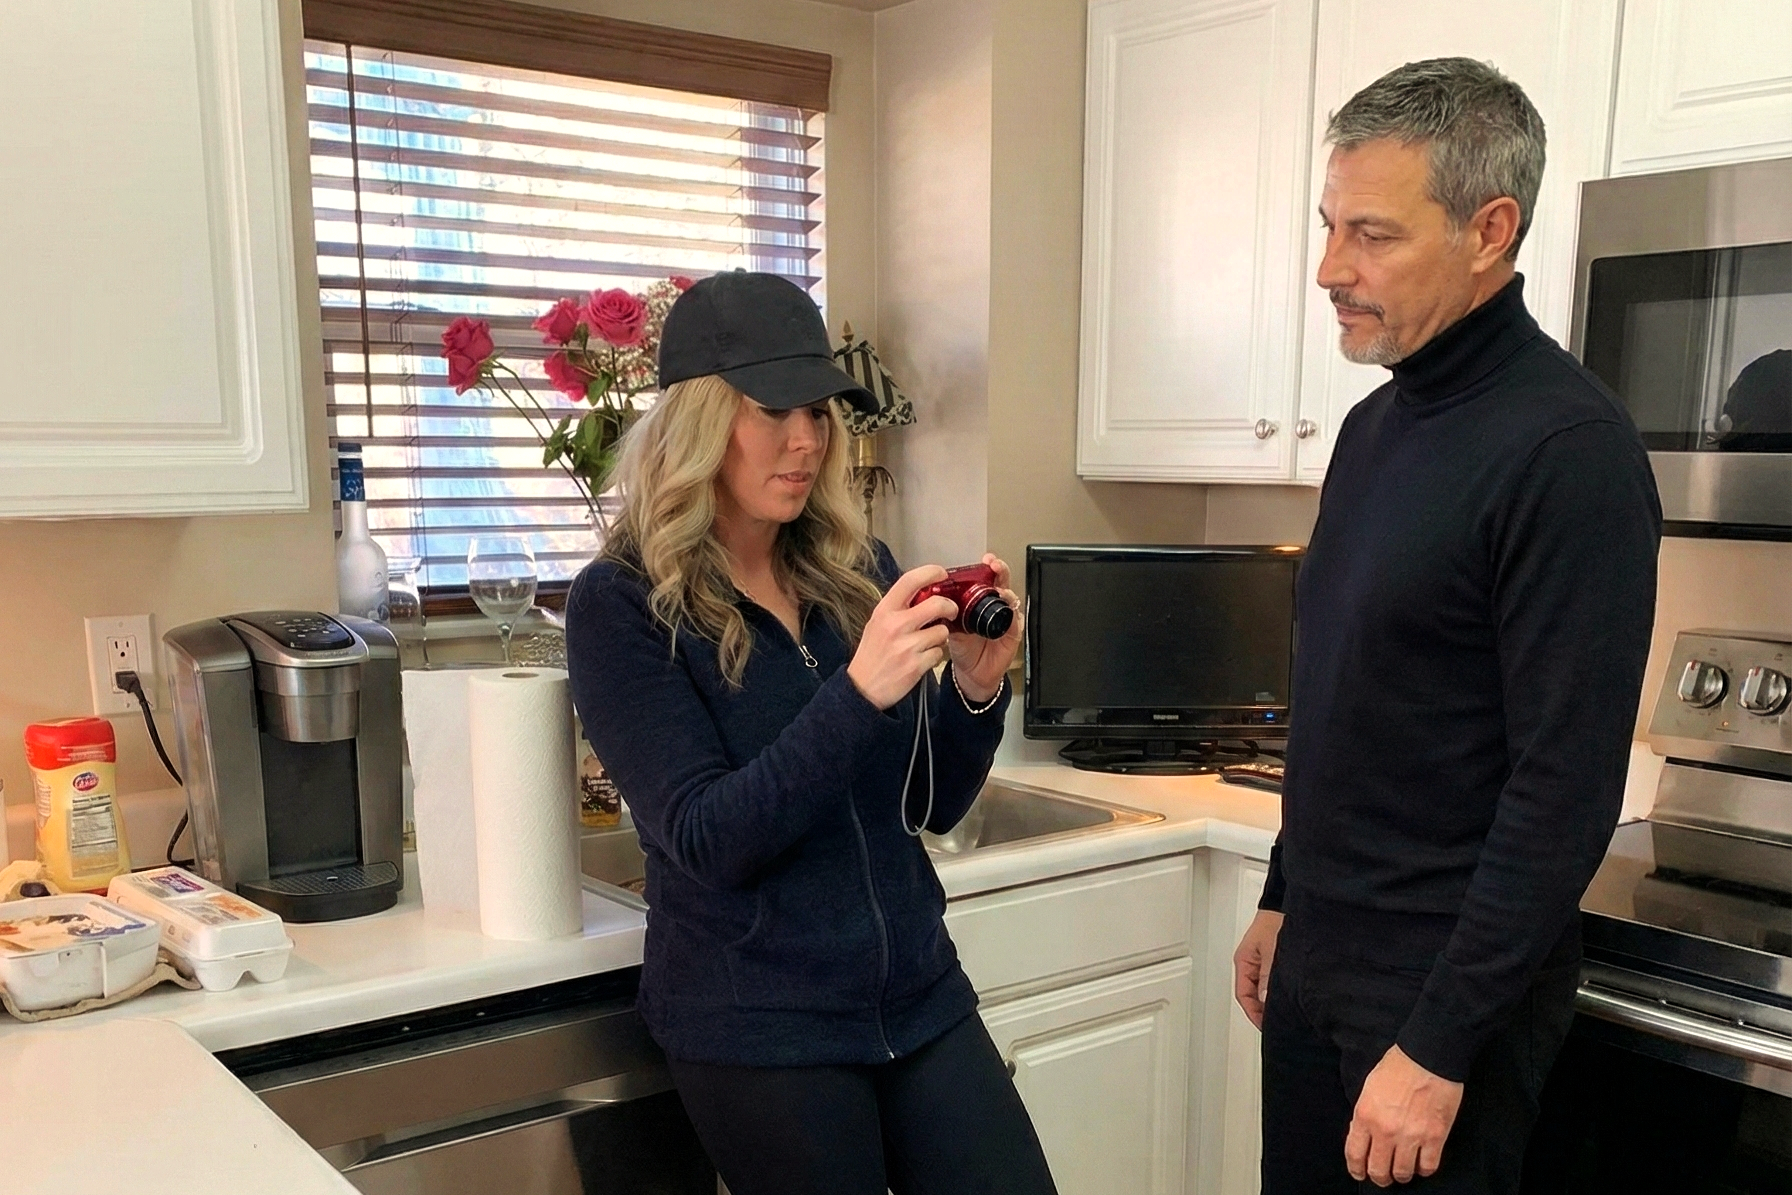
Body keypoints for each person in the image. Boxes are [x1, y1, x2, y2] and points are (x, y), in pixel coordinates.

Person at [1230, 59, 1661, 1193]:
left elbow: (1563, 790)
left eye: (1371, 234)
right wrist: (1282, 893)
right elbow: (1340, 697)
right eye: (1329, 227)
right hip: (1321, 956)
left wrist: (1437, 1045)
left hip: (1439, 993)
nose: (1330, 268)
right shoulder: (1372, 430)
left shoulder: (1568, 454)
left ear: (1489, 230)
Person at [565, 271, 1058, 1195]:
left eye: (819, 412)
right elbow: (707, 838)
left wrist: (974, 687)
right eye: (772, 411)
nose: (805, 439)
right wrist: (858, 693)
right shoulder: (622, 603)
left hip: (916, 994)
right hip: (759, 1025)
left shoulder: (855, 569)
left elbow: (930, 803)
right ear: (700, 421)